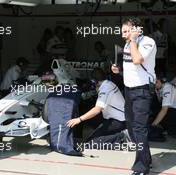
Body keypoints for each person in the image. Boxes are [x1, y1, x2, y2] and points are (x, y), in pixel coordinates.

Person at [111, 17, 157, 175]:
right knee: (131, 127)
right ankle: (147, 160)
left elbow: (137, 60)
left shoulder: (147, 42)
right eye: (122, 31)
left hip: (142, 91)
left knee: (139, 128)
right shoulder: (127, 44)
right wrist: (118, 70)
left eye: (126, 31)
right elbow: (131, 67)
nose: (123, 34)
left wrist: (133, 40)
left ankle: (141, 168)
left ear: (137, 29)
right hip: (129, 90)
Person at [67, 68, 126, 139]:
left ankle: (123, 137)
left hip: (119, 121)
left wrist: (79, 119)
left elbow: (97, 109)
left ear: (94, 81)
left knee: (92, 142)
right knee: (84, 111)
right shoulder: (109, 83)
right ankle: (77, 137)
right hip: (115, 117)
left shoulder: (105, 89)